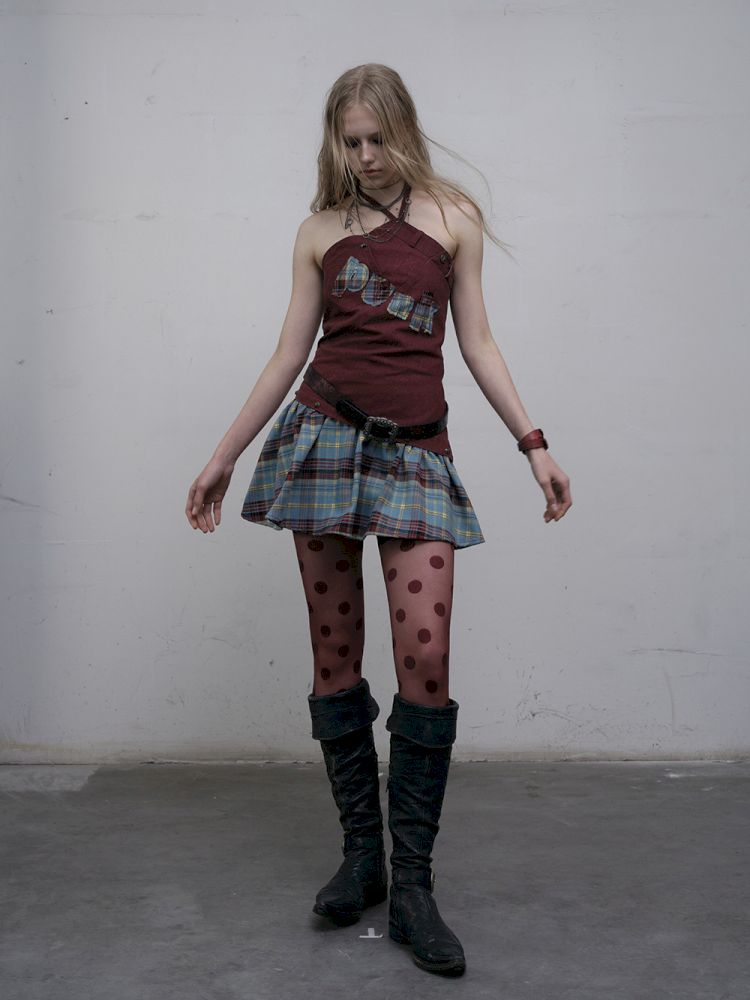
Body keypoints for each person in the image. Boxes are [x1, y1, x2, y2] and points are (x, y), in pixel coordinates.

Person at [185, 63, 572, 977]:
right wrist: (223, 455)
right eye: (350, 141)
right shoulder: (318, 231)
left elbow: (477, 341)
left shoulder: (452, 219)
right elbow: (288, 355)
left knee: (425, 662)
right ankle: (363, 857)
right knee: (335, 658)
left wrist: (534, 444)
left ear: (405, 129)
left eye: (377, 139)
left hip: (416, 455)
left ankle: (414, 888)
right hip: (321, 441)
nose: (364, 156)